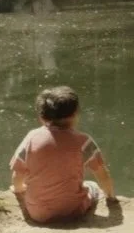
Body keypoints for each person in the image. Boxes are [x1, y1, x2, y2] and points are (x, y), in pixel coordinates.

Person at [9, 86, 117, 223]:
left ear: (41, 116)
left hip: (38, 213)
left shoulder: (31, 138)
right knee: (92, 185)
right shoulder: (84, 141)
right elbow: (102, 174)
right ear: (76, 113)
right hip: (73, 211)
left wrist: (18, 189)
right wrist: (111, 197)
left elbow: (18, 174)